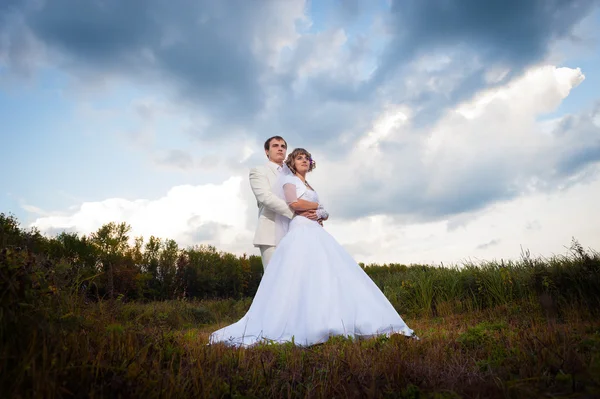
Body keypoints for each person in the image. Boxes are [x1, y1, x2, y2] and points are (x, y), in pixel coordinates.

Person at [210, 148, 416, 347]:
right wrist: (319, 208)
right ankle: (299, 323)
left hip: (315, 230)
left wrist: (321, 213)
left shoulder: (309, 186)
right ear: (292, 162)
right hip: (300, 230)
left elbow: (323, 211)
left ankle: (334, 320)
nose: (304, 161)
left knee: (327, 275)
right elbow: (294, 204)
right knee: (301, 276)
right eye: (299, 158)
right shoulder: (289, 182)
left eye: (307, 158)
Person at [249, 136, 318, 271]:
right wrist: (298, 212)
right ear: (266, 151)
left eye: (283, 146)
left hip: (295, 233)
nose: (280, 148)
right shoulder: (259, 171)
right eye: (275, 146)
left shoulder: (293, 175)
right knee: (274, 278)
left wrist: (316, 215)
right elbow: (265, 197)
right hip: (271, 235)